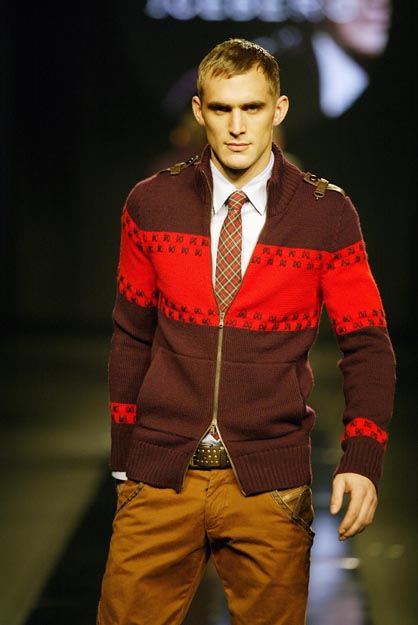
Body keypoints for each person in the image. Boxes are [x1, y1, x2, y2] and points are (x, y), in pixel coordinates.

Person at [97, 38, 396, 625]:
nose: (237, 126)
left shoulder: (326, 214)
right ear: (199, 111)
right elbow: (131, 335)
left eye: (252, 108)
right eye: (222, 108)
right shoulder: (152, 204)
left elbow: (367, 344)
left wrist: (362, 459)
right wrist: (125, 462)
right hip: (159, 480)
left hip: (269, 484)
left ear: (278, 109)